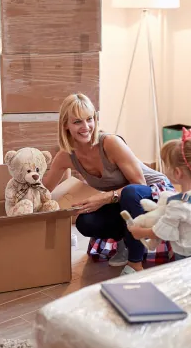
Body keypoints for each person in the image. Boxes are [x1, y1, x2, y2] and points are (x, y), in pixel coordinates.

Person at [42, 93, 176, 276]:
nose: (86, 127)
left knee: (129, 193)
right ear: (65, 125)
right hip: (121, 201)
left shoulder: (110, 143)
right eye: (77, 122)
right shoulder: (66, 156)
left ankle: (135, 263)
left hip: (153, 193)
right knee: (85, 222)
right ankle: (125, 242)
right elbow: (44, 190)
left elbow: (139, 184)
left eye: (90, 119)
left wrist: (106, 196)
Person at [127, 127, 191, 260]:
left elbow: (161, 233)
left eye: (167, 165)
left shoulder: (178, 204)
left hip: (188, 258)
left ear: (177, 172)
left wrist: (139, 232)